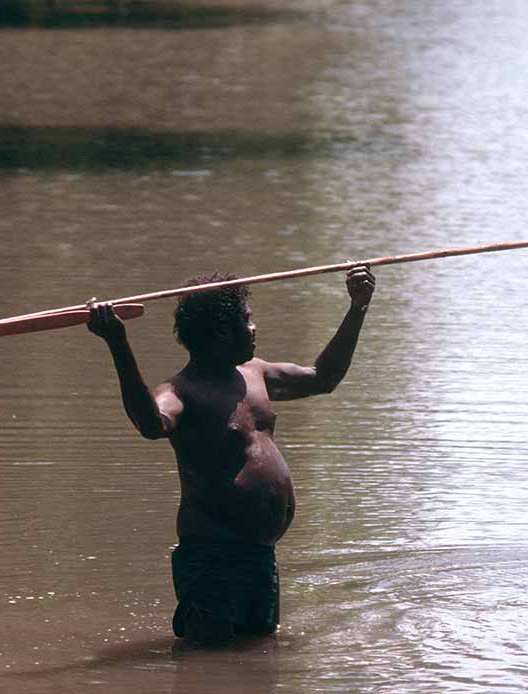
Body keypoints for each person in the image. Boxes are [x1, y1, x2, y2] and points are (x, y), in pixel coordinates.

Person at [85, 266, 375, 645]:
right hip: (212, 559)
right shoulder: (182, 391)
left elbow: (323, 377)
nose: (254, 328)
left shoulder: (255, 374)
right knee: (208, 659)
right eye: (247, 320)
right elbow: (151, 424)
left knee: (259, 654)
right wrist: (118, 343)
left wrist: (358, 307)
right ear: (223, 332)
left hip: (259, 556)